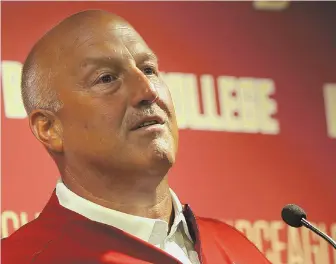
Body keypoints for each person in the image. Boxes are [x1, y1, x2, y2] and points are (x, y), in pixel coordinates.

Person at [2, 10, 271, 264]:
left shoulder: (237, 249)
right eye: (106, 78)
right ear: (49, 128)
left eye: (149, 69)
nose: (147, 90)